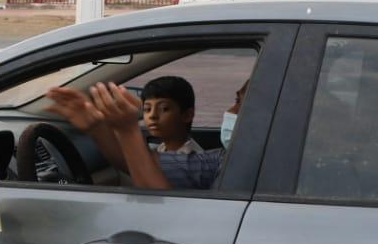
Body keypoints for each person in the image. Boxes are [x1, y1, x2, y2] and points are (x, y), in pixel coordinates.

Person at [48, 78, 248, 191]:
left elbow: (160, 197)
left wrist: (126, 129)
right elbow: (136, 165)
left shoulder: (206, 159)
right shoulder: (221, 161)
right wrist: (98, 127)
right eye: (148, 109)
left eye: (242, 104)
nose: (231, 110)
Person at [140, 76, 201, 154]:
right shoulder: (162, 148)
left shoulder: (194, 159)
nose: (152, 115)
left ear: (187, 115)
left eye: (164, 109)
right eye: (147, 109)